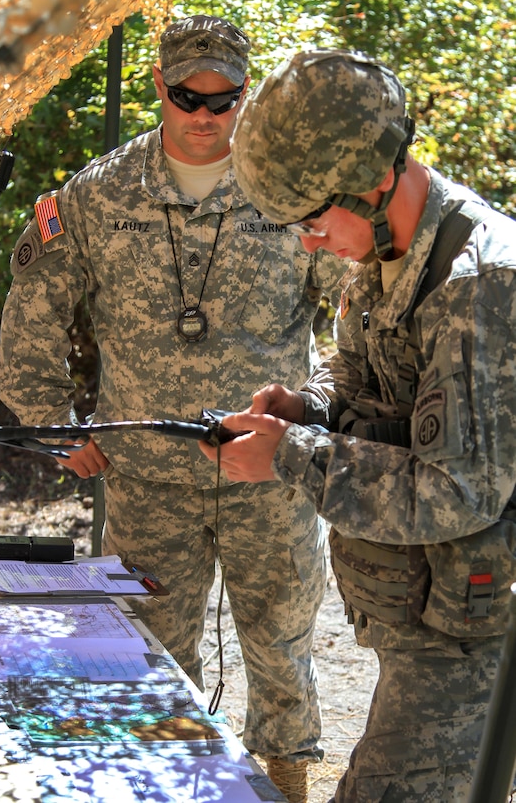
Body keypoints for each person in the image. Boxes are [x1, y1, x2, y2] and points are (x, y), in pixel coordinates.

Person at [0, 15, 346, 802]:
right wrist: (56, 430)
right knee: (149, 658)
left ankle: (288, 785)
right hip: (147, 480)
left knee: (283, 651)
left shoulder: (292, 192)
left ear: (245, 97)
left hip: (271, 475)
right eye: (188, 96)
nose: (204, 115)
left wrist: (317, 412)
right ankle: (170, 789)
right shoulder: (99, 193)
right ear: (159, 86)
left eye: (223, 101)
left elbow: (357, 321)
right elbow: (32, 313)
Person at [200, 48, 516, 801]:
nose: (309, 241)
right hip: (425, 608)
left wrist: (292, 457)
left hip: (474, 634)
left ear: (374, 178)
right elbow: (358, 372)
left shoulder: (478, 286)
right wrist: (303, 405)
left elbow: (456, 493)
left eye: (313, 217)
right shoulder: (381, 253)